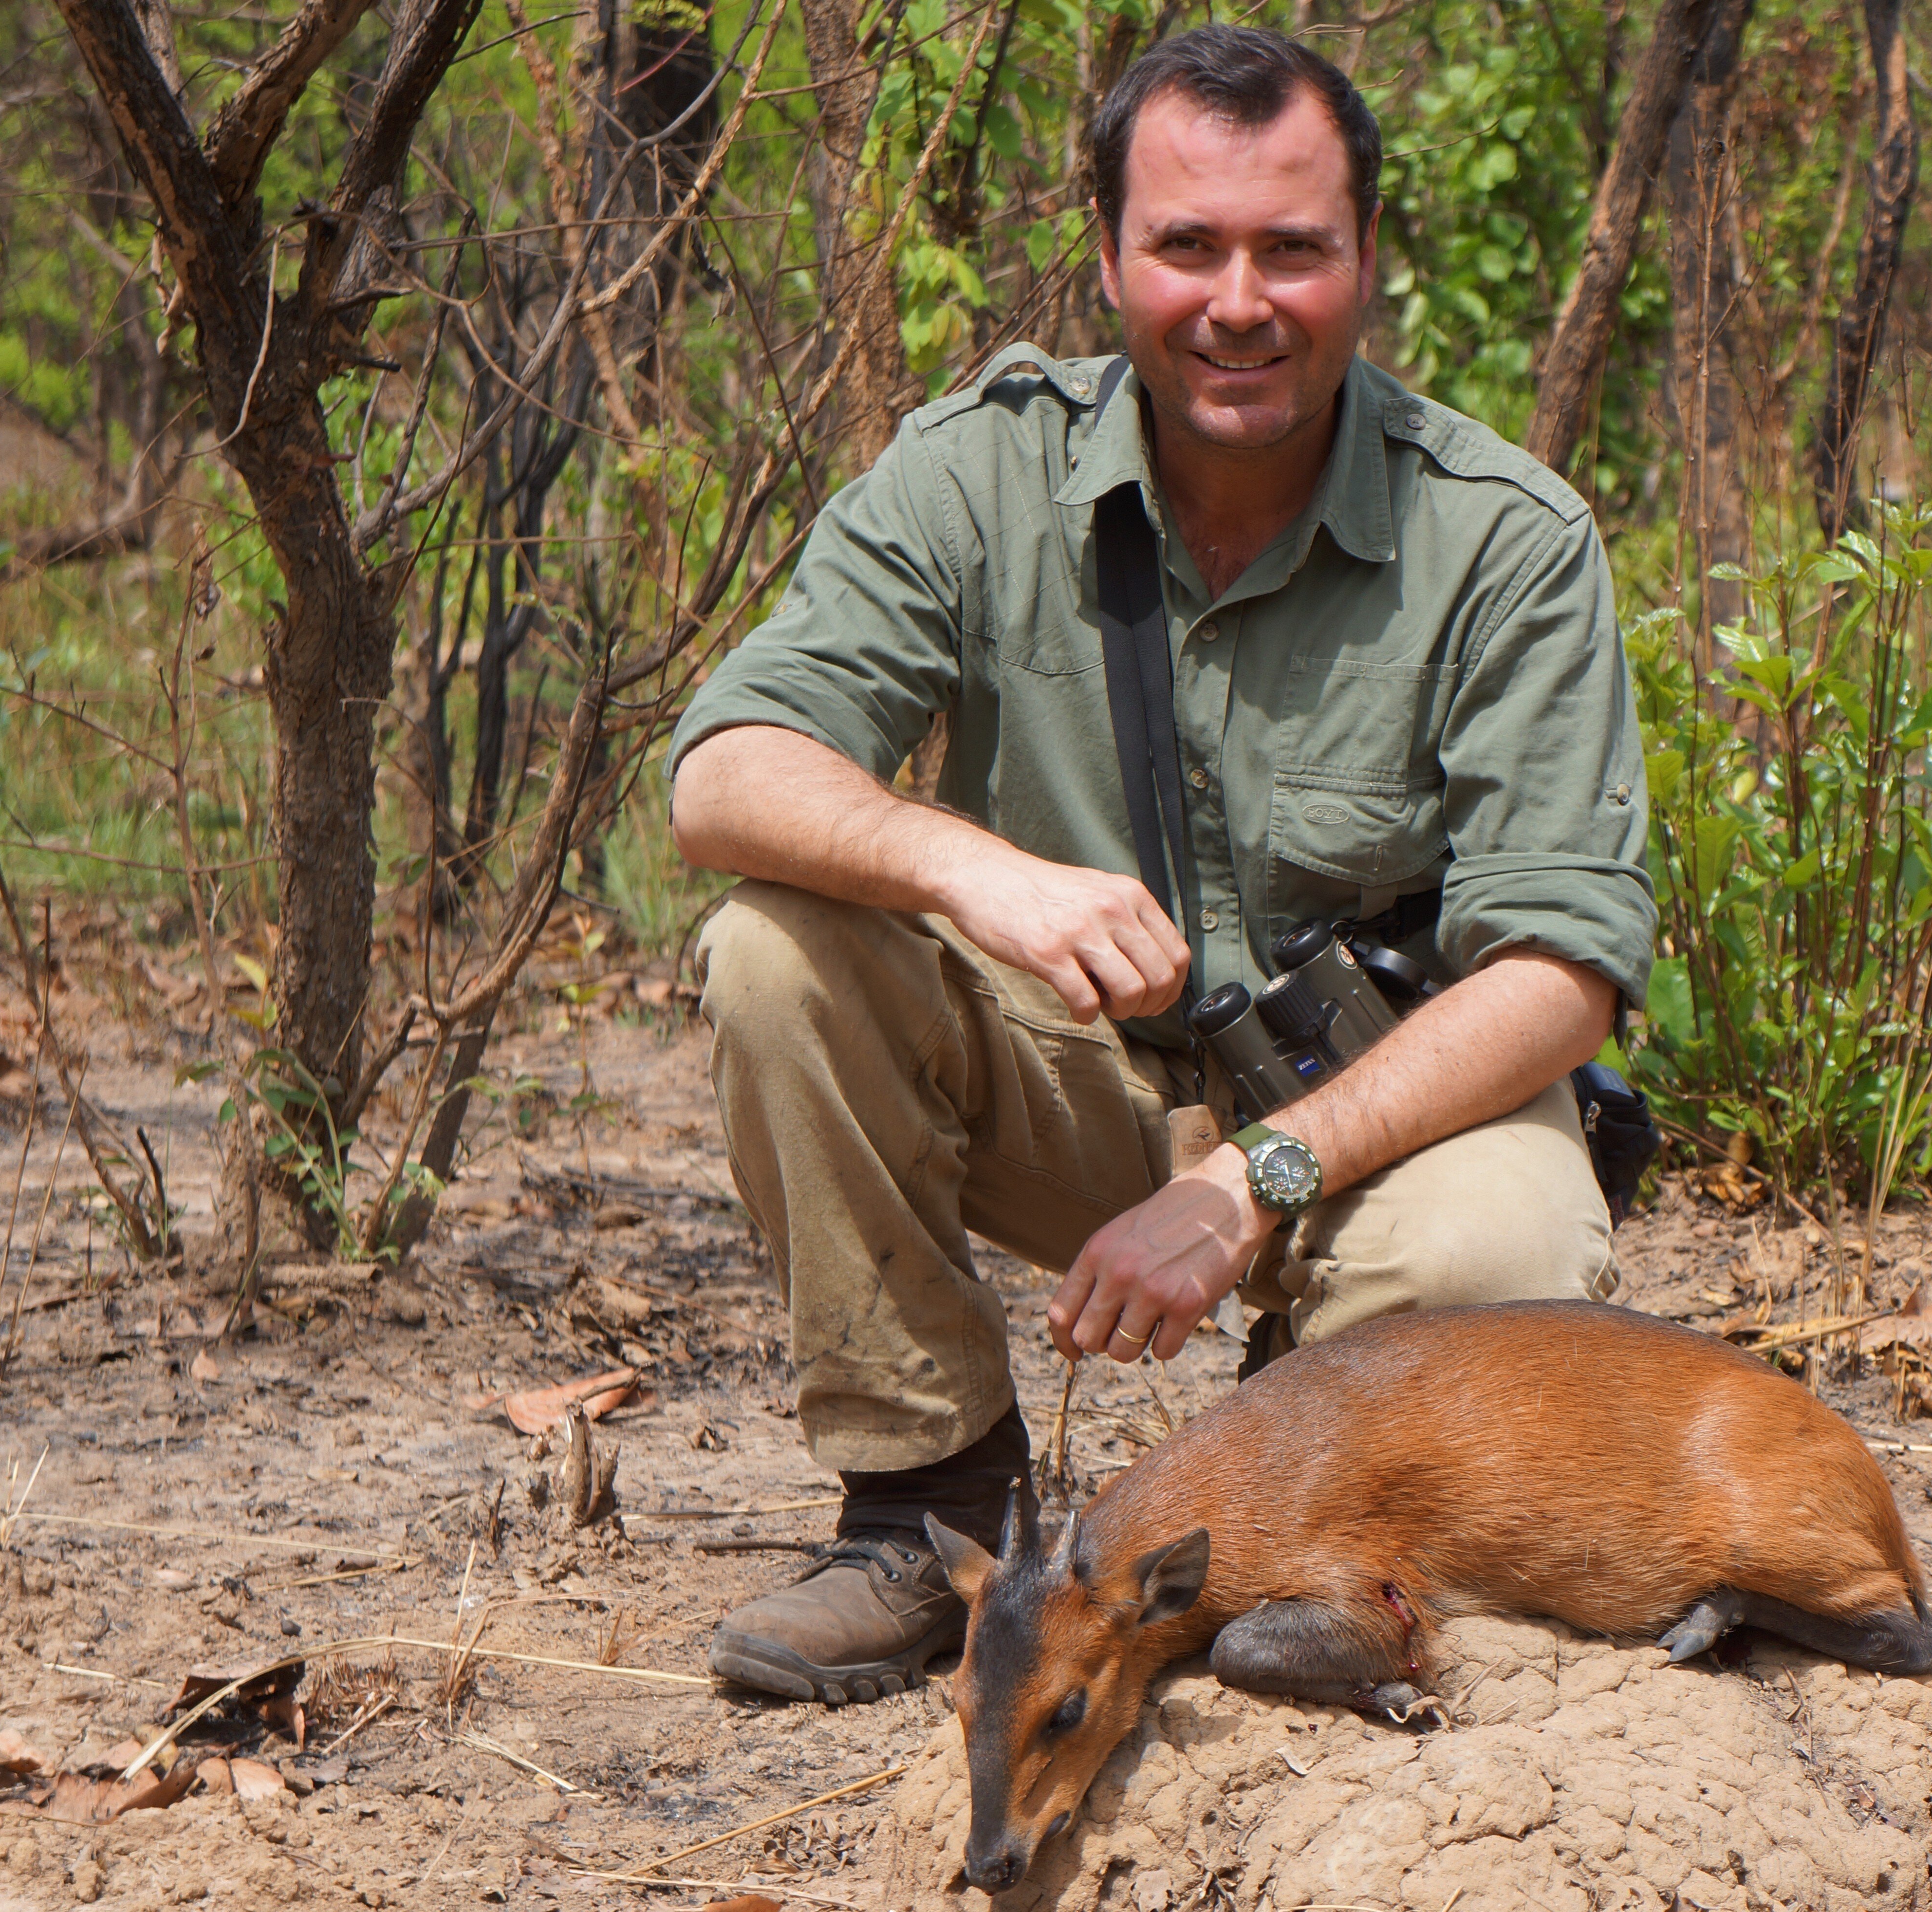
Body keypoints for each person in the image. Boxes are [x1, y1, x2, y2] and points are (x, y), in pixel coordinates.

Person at [665, 24, 1652, 1705]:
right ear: (1112, 252)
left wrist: (1250, 1182)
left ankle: (1328, 1545)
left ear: (1365, 263)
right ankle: (928, 1514)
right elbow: (724, 774)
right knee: (775, 953)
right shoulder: (980, 474)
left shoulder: (1502, 536)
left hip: (1370, 1135)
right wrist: (978, 872)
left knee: (1498, 1252)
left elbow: (1562, 969)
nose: (1239, 300)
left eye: (1293, 249)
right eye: (1188, 245)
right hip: (1083, 1104)